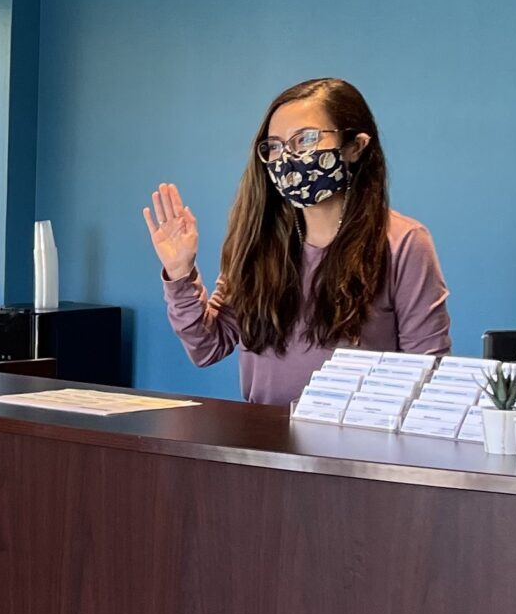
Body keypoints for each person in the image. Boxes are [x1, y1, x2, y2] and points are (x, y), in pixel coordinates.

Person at [143, 77, 450, 405]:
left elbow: (428, 372)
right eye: (275, 145)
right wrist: (180, 275)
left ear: (355, 147)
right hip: (265, 444)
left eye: (305, 139)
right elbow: (207, 347)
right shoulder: (256, 240)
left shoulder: (404, 242)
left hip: (358, 446)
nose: (287, 157)